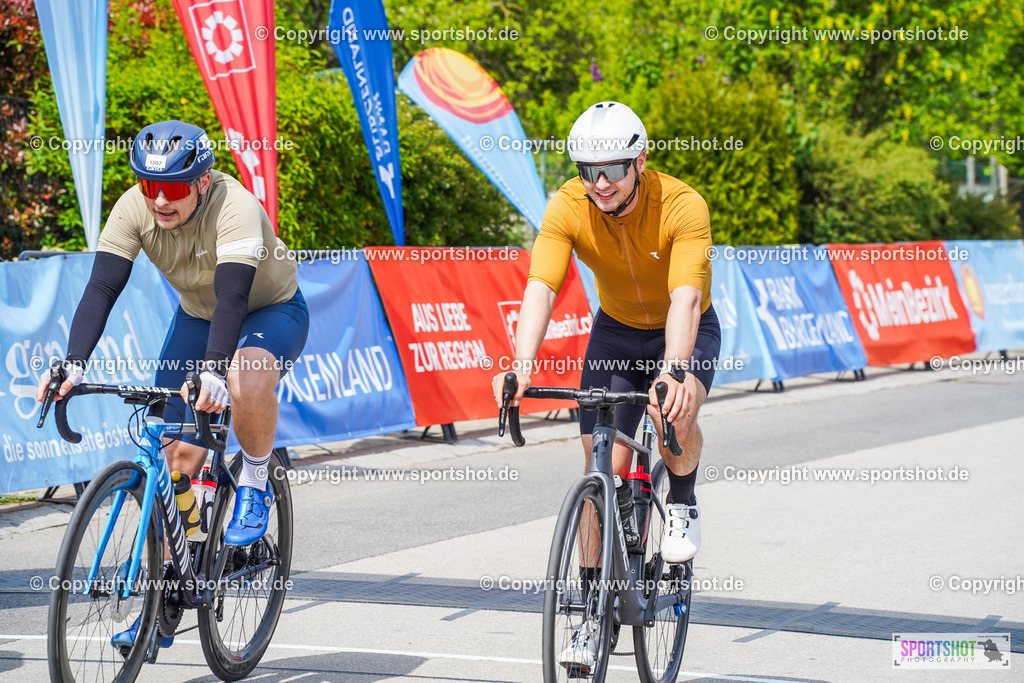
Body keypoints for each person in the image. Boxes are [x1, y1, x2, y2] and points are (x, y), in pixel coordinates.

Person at [35, 120, 309, 649]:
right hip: (197, 317)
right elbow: (102, 288)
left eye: (174, 188)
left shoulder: (235, 206)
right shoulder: (133, 207)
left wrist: (213, 372)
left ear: (202, 182)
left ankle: (254, 481)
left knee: (243, 374)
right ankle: (168, 593)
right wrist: (74, 363)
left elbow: (233, 299)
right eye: (149, 185)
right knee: (175, 458)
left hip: (270, 310)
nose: (160, 199)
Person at [491, 101, 721, 671]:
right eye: (588, 170)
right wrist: (521, 365)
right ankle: (590, 614)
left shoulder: (683, 204)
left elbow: (687, 297)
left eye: (613, 169)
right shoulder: (569, 204)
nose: (600, 183)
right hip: (615, 332)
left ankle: (682, 500)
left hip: (682, 327)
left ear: (639, 162)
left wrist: (674, 370)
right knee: (600, 468)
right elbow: (541, 286)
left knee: (673, 413)